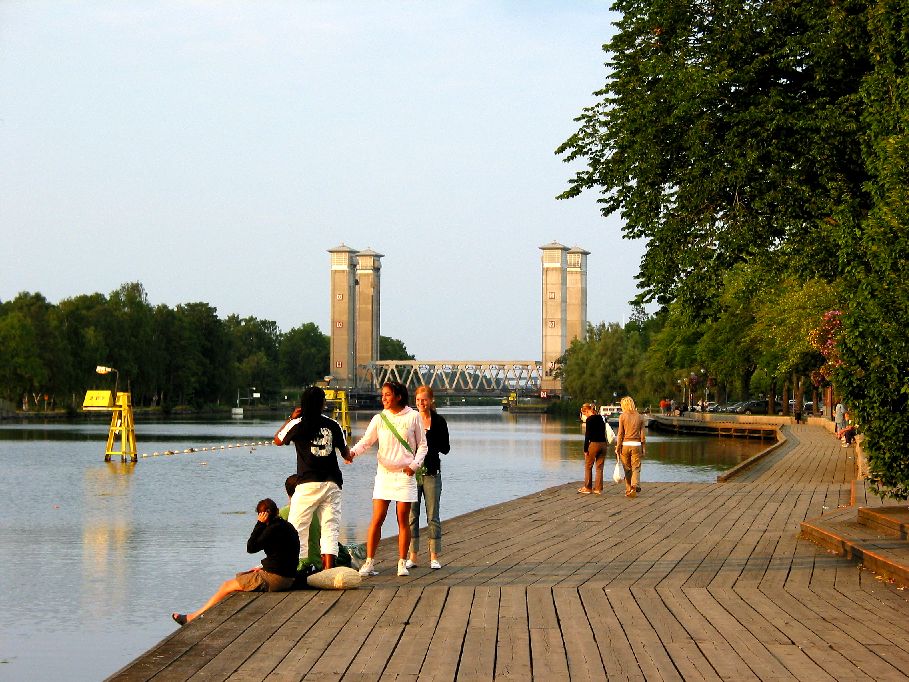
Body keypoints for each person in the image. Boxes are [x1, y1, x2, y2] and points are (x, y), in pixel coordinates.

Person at [171, 498, 299, 626]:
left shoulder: (272, 529)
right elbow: (283, 555)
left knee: (226, 586)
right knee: (241, 577)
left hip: (277, 580)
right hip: (288, 577)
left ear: (262, 515)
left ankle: (193, 617)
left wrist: (259, 524)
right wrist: (264, 568)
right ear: (277, 511)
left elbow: (251, 547)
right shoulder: (287, 526)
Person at [348, 381, 427, 577]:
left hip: (405, 474)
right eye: (382, 395)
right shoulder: (380, 418)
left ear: (398, 397)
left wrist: (414, 466)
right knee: (377, 518)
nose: (383, 398)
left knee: (402, 519)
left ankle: (402, 562)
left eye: (387, 395)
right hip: (384, 474)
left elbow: (423, 446)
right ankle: (369, 562)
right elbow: (367, 441)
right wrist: (352, 453)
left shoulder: (413, 416)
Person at [274, 386, 352, 570]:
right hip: (332, 482)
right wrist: (350, 455)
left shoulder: (297, 424)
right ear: (323, 403)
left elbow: (278, 440)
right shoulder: (333, 425)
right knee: (330, 527)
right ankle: (328, 570)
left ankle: (299, 567)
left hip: (307, 482)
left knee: (297, 526)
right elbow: (346, 453)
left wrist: (290, 418)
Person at [407, 386, 450, 570]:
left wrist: (429, 441)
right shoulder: (410, 420)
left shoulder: (439, 421)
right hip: (413, 473)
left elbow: (446, 448)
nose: (421, 403)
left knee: (433, 516)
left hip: (432, 472)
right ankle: (413, 557)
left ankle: (434, 557)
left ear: (431, 400)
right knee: (412, 516)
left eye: (424, 400)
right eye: (418, 400)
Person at [278, 474, 353, 570]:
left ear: (286, 491)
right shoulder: (319, 511)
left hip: (295, 567)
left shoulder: (282, 513)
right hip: (317, 564)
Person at [615, 395, 646, 498]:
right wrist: (644, 448)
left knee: (627, 468)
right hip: (636, 445)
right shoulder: (640, 417)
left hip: (625, 445)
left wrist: (618, 447)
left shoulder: (622, 416)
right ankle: (634, 486)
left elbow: (620, 433)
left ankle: (628, 489)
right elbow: (642, 435)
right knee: (636, 467)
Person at [578, 403, 608, 495]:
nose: (584, 416)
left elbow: (587, 435)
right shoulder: (601, 418)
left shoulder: (589, 419)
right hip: (603, 444)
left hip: (594, 444)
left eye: (584, 413)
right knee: (599, 467)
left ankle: (587, 487)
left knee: (588, 466)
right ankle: (598, 489)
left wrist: (585, 449)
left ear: (587, 411)